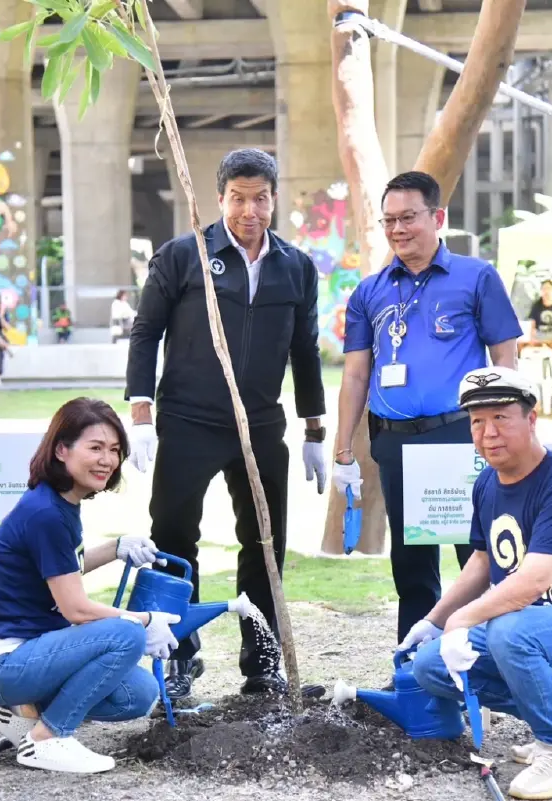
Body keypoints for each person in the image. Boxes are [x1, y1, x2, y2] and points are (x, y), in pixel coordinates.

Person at [125, 148, 327, 700]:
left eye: (260, 198)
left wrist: (313, 430)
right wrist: (141, 413)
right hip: (188, 420)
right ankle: (178, 654)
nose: (249, 210)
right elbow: (146, 334)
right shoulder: (182, 257)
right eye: (237, 198)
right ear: (219, 199)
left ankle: (261, 660)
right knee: (172, 538)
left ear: (273, 199)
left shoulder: (296, 266)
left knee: (265, 541)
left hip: (261, 425)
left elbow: (305, 352)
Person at [406, 366, 552, 800]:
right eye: (477, 422)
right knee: (432, 665)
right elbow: (481, 560)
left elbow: (531, 583)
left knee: (508, 630)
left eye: (500, 418)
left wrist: (462, 621)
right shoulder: (487, 482)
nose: (488, 432)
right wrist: (435, 622)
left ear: (531, 420)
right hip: (534, 629)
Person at [331, 171, 522, 645]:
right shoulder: (370, 292)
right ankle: (416, 663)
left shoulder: (476, 277)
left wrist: (504, 425)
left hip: (461, 435)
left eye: (409, 218)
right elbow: (355, 374)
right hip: (394, 439)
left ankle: (490, 654)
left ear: (437, 217)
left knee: (475, 552)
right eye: (389, 220)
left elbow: (505, 356)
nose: (398, 229)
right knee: (412, 559)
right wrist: (342, 449)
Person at [0, 397, 169, 774]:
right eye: (95, 448)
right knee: (126, 636)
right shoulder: (45, 513)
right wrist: (144, 620)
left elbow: (64, 569)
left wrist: (116, 547)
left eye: (114, 450)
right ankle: (47, 739)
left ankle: (24, 715)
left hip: (25, 659)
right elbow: (74, 609)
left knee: (138, 694)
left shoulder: (59, 504)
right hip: (2, 663)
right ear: (61, 450)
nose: (107, 460)